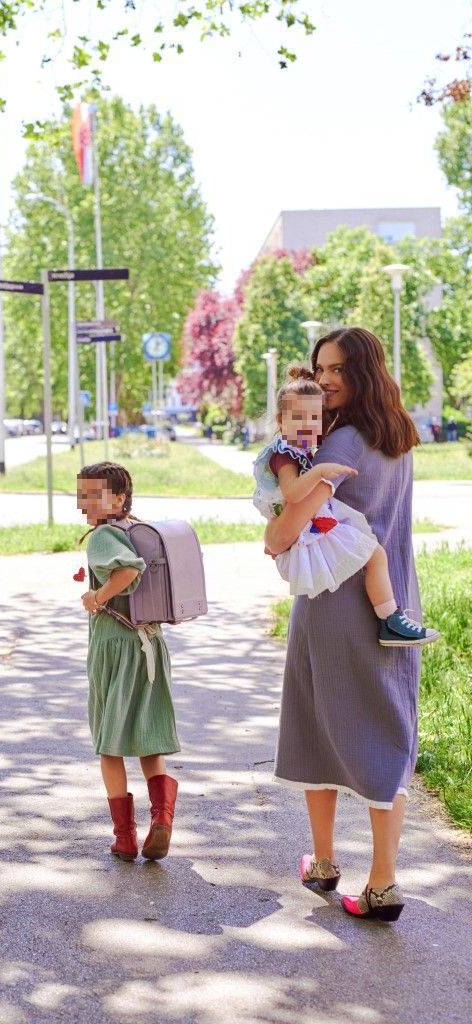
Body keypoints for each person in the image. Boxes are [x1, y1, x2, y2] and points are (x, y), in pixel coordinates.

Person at [265, 327, 431, 923]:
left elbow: (288, 529)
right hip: (393, 600)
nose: (326, 379)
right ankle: (374, 876)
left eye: (337, 369)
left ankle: (337, 865)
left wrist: (273, 531)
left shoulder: (342, 445)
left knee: (316, 721)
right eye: (320, 368)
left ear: (364, 368)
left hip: (334, 602)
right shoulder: (399, 436)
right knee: (385, 726)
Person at [254, 366, 439, 647]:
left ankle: (389, 618)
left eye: (314, 418)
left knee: (373, 553)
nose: (308, 425)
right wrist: (319, 472)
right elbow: (292, 494)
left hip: (310, 521)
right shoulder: (284, 455)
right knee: (375, 554)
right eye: (299, 418)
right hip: (309, 523)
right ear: (281, 421)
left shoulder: (304, 446)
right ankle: (389, 619)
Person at [76, 461, 180, 863]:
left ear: (119, 498)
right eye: (82, 494)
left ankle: (124, 838)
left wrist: (97, 597)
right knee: (149, 742)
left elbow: (128, 572)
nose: (86, 502)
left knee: (110, 745)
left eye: (95, 494)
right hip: (150, 643)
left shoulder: (103, 536)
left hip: (116, 645)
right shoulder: (136, 530)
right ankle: (162, 818)